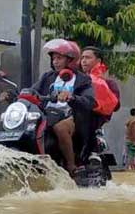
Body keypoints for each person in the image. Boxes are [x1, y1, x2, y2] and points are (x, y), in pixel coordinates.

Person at [33, 38, 94, 172]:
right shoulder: (48, 77)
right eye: (54, 58)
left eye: (59, 58)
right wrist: (13, 94)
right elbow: (33, 91)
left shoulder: (82, 79)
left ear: (70, 60)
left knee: (60, 128)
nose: (55, 61)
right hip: (46, 114)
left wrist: (72, 97)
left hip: (71, 117)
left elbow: (89, 100)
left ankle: (71, 165)